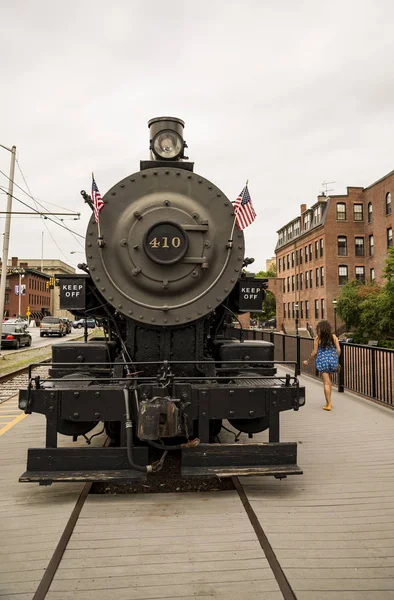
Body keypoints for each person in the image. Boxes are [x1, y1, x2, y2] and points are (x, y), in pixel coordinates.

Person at [303, 320, 341, 411]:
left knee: (326, 383)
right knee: (329, 381)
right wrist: (335, 359)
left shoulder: (318, 338)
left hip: (322, 361)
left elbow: (314, 352)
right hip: (333, 361)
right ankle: (329, 401)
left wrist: (308, 361)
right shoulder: (334, 337)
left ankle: (328, 404)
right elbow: (338, 350)